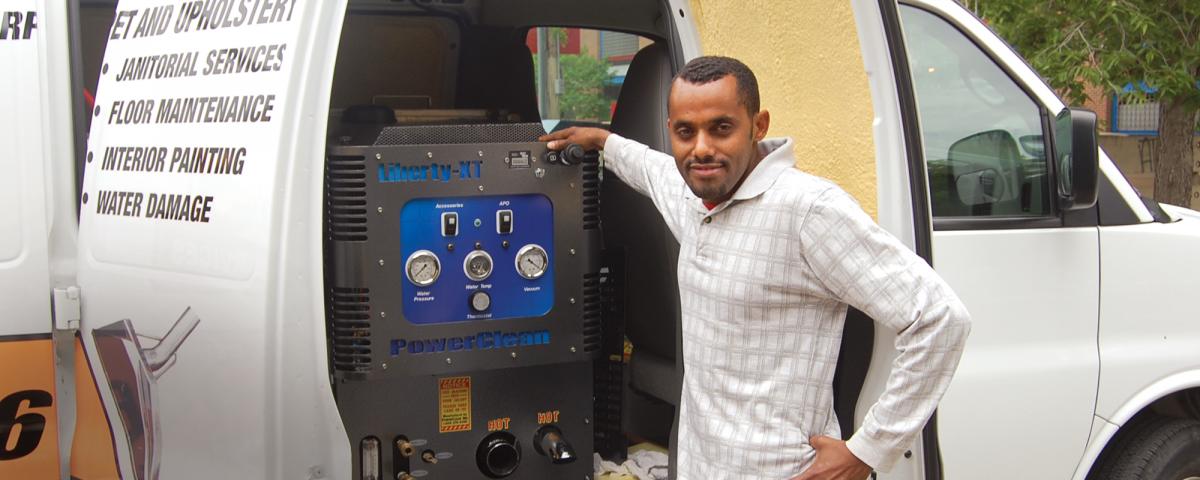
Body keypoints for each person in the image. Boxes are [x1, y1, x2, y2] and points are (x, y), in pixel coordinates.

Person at [540, 56, 971, 480]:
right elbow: (650, 168)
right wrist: (602, 140)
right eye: (686, 132)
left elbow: (939, 317)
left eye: (721, 128)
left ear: (758, 126)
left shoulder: (809, 210)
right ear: (670, 131)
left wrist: (867, 450)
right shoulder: (694, 196)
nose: (702, 147)